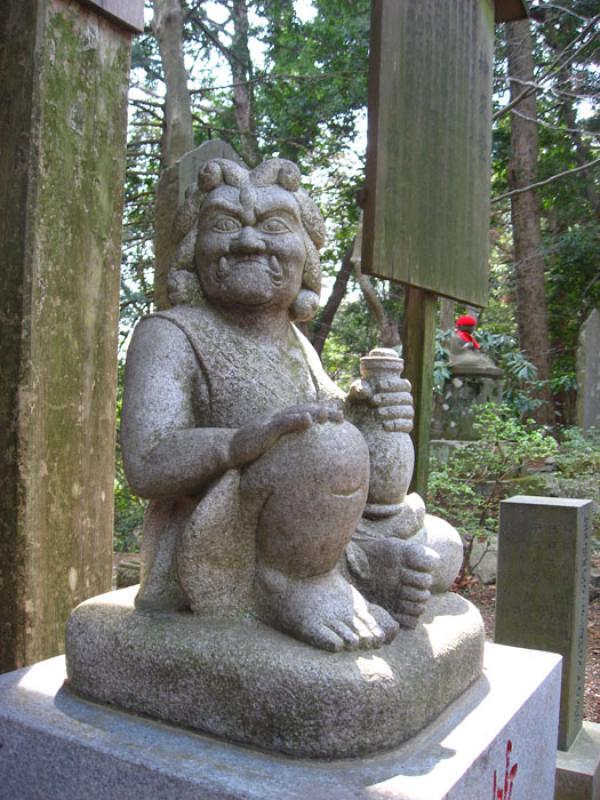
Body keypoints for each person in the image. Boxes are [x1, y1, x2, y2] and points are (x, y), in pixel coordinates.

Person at [121, 158, 435, 653]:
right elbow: (147, 461)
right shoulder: (171, 333)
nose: (248, 242)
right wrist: (239, 443)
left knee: (441, 546)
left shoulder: (296, 343)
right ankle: (291, 585)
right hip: (224, 535)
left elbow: (340, 434)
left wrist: (372, 411)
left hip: (312, 524)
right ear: (192, 252)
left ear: (305, 257)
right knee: (331, 448)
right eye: (225, 225)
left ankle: (359, 566)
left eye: (273, 227)